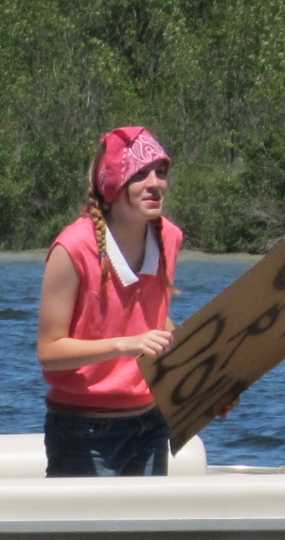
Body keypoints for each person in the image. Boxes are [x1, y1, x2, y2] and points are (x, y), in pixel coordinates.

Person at [36, 124, 184, 475]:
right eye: (140, 174)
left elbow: (155, 321)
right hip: (82, 429)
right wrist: (125, 345)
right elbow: (49, 352)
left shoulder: (170, 237)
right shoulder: (73, 247)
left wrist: (204, 383)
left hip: (150, 421)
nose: (155, 184)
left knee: (147, 531)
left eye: (160, 172)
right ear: (112, 182)